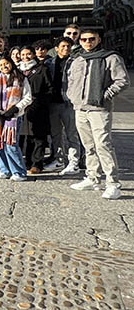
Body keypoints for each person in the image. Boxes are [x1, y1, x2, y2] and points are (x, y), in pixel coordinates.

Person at [67, 29, 129, 199]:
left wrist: (104, 95)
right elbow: (71, 80)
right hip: (80, 108)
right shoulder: (77, 59)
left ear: (98, 39)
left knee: (103, 145)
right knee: (88, 146)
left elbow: (122, 81)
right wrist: (72, 97)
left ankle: (113, 183)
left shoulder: (110, 57)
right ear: (80, 42)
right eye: (84, 39)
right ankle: (92, 178)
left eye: (91, 39)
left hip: (99, 109)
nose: (88, 42)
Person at [0, 56, 33, 181]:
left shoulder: (20, 79)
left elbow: (28, 97)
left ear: (11, 64)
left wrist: (15, 108)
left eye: (6, 64)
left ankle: (19, 172)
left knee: (11, 144)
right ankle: (5, 169)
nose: (4, 67)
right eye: (1, 65)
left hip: (13, 117)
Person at [49, 36, 81, 175]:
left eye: (68, 46)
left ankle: (74, 162)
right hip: (53, 103)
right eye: (62, 46)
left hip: (69, 103)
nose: (66, 49)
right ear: (56, 49)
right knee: (56, 134)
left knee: (71, 134)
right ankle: (59, 160)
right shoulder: (50, 63)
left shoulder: (76, 63)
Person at [18, 46, 52, 174]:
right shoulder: (17, 70)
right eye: (23, 55)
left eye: (28, 54)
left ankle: (37, 163)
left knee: (38, 137)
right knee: (27, 137)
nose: (25, 57)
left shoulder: (42, 69)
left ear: (33, 55)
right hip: (23, 108)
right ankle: (27, 162)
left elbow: (50, 89)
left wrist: (39, 101)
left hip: (39, 107)